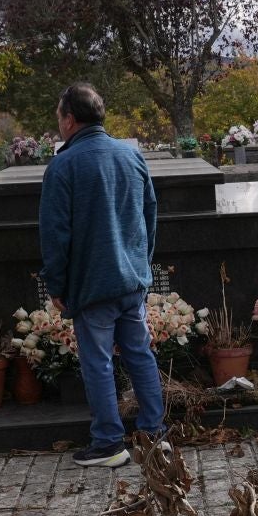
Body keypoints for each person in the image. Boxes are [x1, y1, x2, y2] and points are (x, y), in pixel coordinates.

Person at [37, 83, 167, 468]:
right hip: (131, 279)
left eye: (59, 117)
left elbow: (54, 234)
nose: (59, 124)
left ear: (70, 119)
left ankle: (109, 443)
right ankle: (154, 435)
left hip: (92, 283)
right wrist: (142, 266)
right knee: (140, 354)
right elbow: (150, 216)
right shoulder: (131, 156)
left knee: (97, 362)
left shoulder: (62, 166)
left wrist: (57, 284)